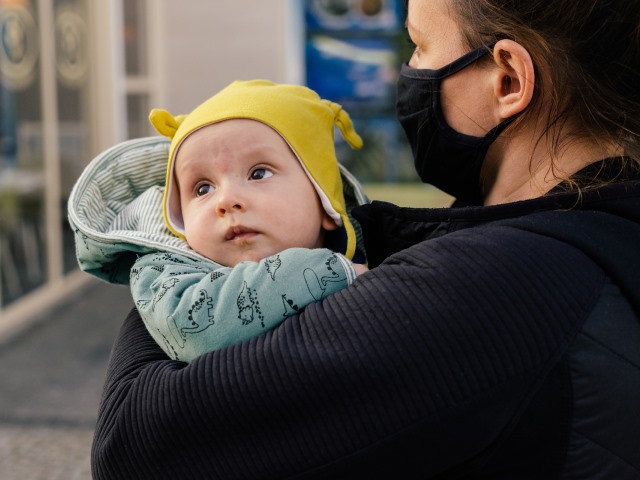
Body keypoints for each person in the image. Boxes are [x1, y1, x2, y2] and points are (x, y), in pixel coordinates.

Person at [89, 0, 640, 478]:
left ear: (508, 80)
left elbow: (136, 445)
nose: (409, 70)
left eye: (420, 46)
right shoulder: (578, 225)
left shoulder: (499, 286)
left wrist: (168, 252)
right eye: (202, 189)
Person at [69, 80, 368, 363]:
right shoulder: (164, 272)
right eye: (203, 188)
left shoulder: (381, 252)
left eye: (258, 173)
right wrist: (330, 271)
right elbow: (193, 327)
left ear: (325, 204)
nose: (226, 201)